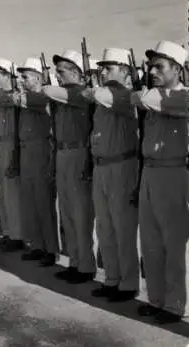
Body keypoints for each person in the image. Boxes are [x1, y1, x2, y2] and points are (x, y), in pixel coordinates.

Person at [131, 40, 189, 324]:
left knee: (174, 244)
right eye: (150, 66)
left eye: (159, 66)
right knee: (151, 241)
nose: (152, 71)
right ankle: (157, 299)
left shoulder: (181, 97)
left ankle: (176, 305)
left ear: (177, 69)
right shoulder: (154, 96)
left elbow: (142, 99)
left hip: (174, 173)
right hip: (150, 172)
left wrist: (143, 91)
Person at [0, 57, 59, 265]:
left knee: (44, 204)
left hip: (40, 151)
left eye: (25, 76)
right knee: (29, 203)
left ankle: (50, 249)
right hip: (26, 149)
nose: (21, 80)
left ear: (37, 78)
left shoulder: (40, 97)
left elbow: (17, 100)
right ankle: (36, 245)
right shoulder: (26, 96)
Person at [81, 48, 139, 302]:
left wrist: (90, 86)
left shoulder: (122, 95)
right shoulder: (104, 99)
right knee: (105, 227)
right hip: (102, 166)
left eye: (109, 67)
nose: (102, 71)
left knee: (122, 227)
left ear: (125, 71)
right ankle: (112, 278)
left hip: (121, 166)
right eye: (101, 67)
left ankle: (128, 283)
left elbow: (91, 92)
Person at [42, 50, 96, 283]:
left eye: (62, 71)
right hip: (63, 152)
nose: (57, 75)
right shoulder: (62, 96)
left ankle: (85, 266)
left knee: (80, 212)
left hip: (79, 152)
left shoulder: (78, 93)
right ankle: (74, 261)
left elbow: (47, 90)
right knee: (67, 212)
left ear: (76, 72)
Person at [0, 58, 25, 252]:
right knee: (1, 192)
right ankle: (7, 232)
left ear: (9, 76)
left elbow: (18, 130)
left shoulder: (14, 98)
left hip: (11, 146)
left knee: (12, 194)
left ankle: (17, 236)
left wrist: (16, 156)